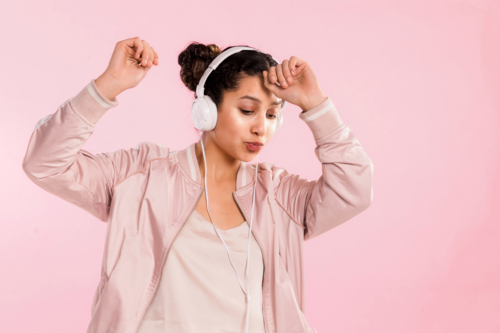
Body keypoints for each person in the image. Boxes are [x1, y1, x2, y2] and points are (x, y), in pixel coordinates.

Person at [22, 37, 374, 333]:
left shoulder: (279, 196)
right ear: (206, 110)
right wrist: (108, 85)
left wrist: (316, 105)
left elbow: (354, 190)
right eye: (248, 110)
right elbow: (45, 162)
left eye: (271, 115)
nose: (261, 128)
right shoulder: (141, 175)